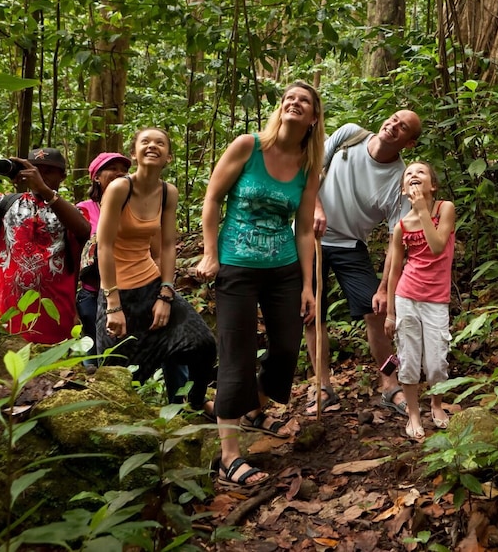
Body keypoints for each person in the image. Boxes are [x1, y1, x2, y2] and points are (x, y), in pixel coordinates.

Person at [195, 81, 323, 488]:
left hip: (284, 267)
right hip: (237, 265)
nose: (294, 102)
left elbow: (304, 229)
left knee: (286, 348)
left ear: (313, 117)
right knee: (238, 353)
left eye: (304, 100)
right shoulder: (247, 147)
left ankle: (253, 407)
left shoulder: (307, 165)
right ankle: (230, 456)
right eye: (290, 97)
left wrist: (308, 285)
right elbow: (213, 199)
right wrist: (211, 253)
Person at [306, 110, 423, 417]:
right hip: (310, 236)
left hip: (349, 244)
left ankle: (389, 383)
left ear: (409, 144)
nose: (393, 125)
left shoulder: (400, 183)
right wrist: (316, 206)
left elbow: (396, 243)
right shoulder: (350, 135)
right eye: (394, 118)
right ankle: (322, 386)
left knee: (377, 309)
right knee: (310, 311)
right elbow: (310, 170)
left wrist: (385, 288)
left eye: (403, 128)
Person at [95, 127, 216, 413]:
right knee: (119, 377)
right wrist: (113, 305)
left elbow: (167, 246)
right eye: (145, 142)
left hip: (151, 284)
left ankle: (195, 402)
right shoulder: (119, 188)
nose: (152, 146)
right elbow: (104, 246)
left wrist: (165, 292)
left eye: (160, 143)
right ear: (134, 153)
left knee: (203, 343)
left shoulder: (167, 192)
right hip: (117, 291)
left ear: (168, 157)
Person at [0, 148, 91, 344]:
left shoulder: (71, 212)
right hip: (1, 320)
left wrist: (44, 190)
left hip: (53, 323)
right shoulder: (4, 202)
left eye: (48, 171)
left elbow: (83, 230)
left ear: (63, 176)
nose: (39, 175)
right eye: (33, 169)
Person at [384, 161, 456, 440]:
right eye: (409, 174)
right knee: (410, 358)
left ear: (432, 186)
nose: (414, 175)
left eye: (421, 172)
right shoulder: (401, 227)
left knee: (437, 360)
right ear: (404, 189)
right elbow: (394, 272)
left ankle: (437, 405)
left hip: (436, 299)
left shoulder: (444, 209)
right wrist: (390, 312)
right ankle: (414, 413)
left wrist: (423, 211)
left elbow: (438, 247)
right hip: (407, 296)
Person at [76, 152, 132, 372]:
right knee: (93, 352)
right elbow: (73, 253)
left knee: (123, 351)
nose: (120, 173)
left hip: (129, 290)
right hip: (92, 293)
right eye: (112, 168)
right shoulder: (83, 210)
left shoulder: (135, 208)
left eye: (124, 169)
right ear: (96, 177)